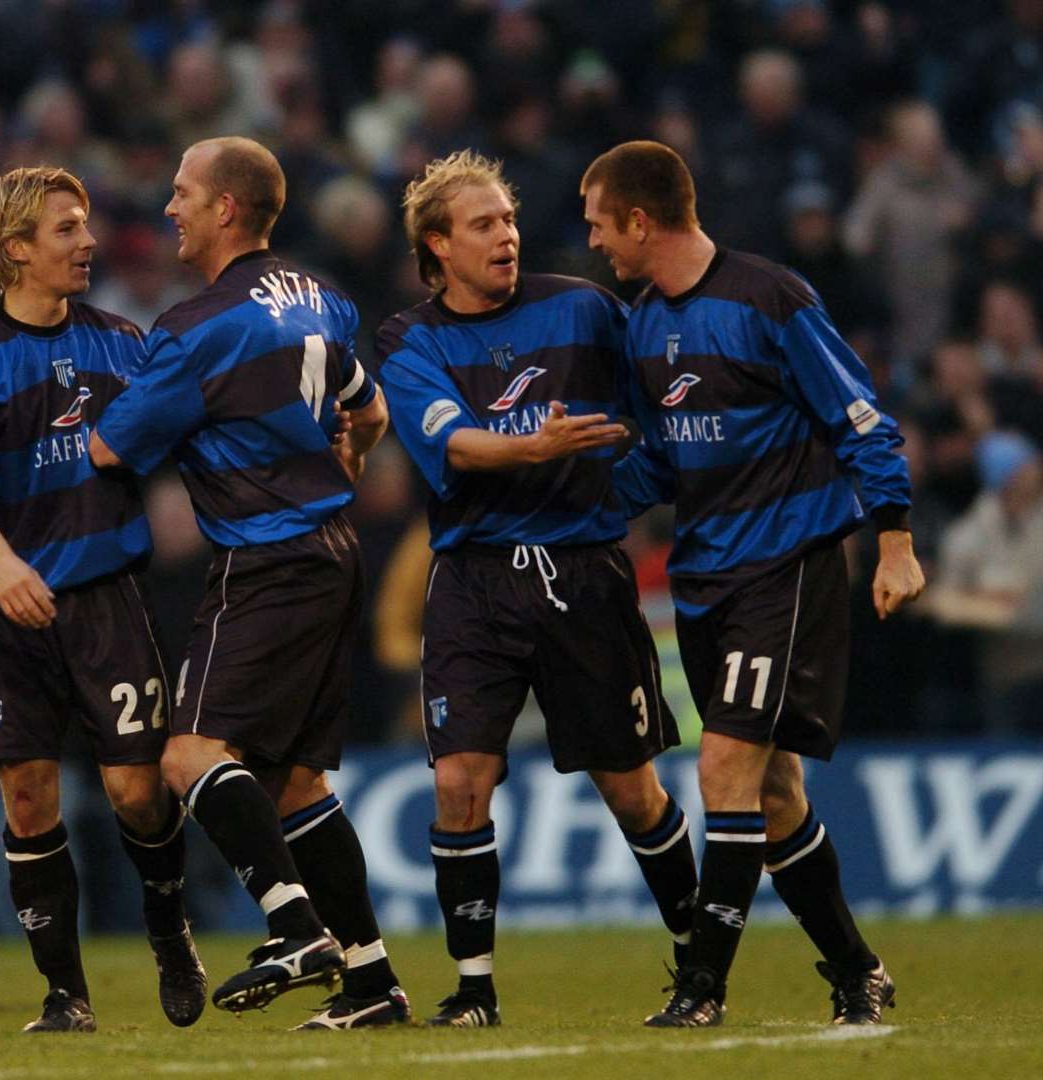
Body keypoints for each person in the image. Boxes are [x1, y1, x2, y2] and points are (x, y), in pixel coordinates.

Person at [579, 140, 925, 1028]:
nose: (593, 245)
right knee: (773, 797)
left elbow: (862, 420)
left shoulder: (770, 300)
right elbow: (660, 461)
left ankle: (700, 988)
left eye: (598, 225)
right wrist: (572, 505)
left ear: (640, 220)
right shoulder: (645, 322)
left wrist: (893, 540)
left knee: (724, 766)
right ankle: (857, 970)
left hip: (788, 563)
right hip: (706, 574)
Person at [90, 137, 408, 1030]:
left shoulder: (197, 328)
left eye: (182, 192)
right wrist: (349, 455)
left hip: (265, 559)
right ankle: (373, 983)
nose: (169, 209)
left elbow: (112, 449)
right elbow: (369, 409)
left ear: (226, 208)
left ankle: (294, 927)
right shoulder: (321, 299)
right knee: (298, 784)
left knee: (188, 757)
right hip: (333, 549)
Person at [376, 150, 696, 1028]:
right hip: (474, 584)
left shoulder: (586, 309)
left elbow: (653, 417)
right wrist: (537, 449)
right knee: (457, 783)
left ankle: (698, 966)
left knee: (631, 790)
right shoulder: (408, 339)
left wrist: (615, 491)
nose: (505, 237)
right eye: (483, 225)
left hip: (583, 575)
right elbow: (452, 445)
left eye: (509, 221)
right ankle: (472, 989)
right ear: (436, 244)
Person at [0, 166, 205, 1034]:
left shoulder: (124, 340)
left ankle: (168, 930)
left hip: (104, 594)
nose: (88, 243)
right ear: (15, 251)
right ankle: (64, 994)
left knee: (133, 790)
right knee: (29, 797)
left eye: (83, 227)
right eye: (66, 230)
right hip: (4, 603)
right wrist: (3, 565)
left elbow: (185, 437)